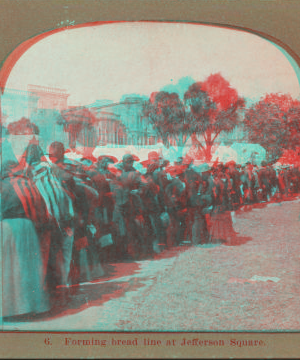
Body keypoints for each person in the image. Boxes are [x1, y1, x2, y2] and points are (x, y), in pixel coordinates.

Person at [1, 160, 50, 318]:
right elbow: (41, 207)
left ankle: (10, 309)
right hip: (28, 227)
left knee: (9, 267)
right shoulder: (28, 183)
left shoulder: (3, 185)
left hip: (7, 227)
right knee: (27, 267)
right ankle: (29, 307)